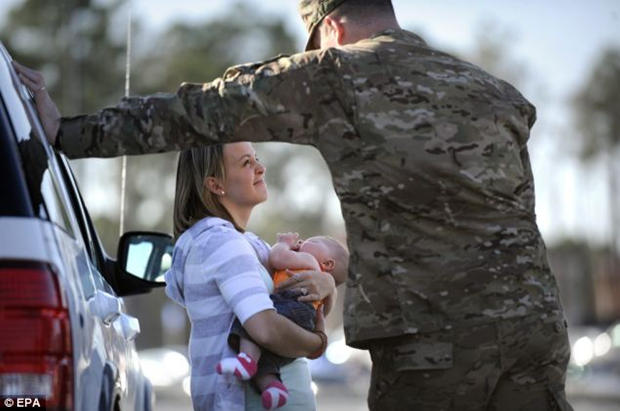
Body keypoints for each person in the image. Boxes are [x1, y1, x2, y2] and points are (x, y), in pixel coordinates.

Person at [15, 0, 573, 409]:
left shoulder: (338, 73)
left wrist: (67, 133)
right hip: (536, 332)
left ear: (331, 28)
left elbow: (199, 113)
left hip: (433, 346)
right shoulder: (494, 93)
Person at [164, 142, 335, 411]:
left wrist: (328, 286)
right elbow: (265, 329)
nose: (261, 168)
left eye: (257, 158)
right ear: (215, 184)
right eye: (246, 163)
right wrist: (318, 343)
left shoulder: (249, 244)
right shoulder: (221, 242)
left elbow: (304, 309)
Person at [216, 232, 348, 410]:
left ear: (327, 263)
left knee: (250, 322)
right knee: (267, 358)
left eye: (313, 241)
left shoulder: (310, 261)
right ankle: (273, 387)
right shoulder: (318, 282)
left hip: (290, 303)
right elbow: (322, 313)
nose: (302, 241)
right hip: (304, 318)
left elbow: (277, 258)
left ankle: (246, 359)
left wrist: (283, 243)